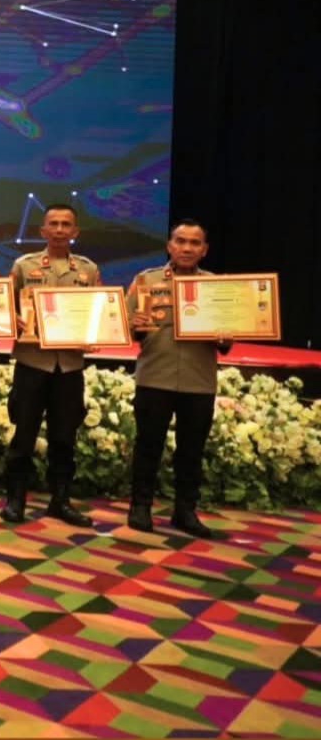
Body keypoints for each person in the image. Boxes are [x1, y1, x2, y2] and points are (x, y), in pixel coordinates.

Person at [125, 219, 231, 539]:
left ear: (204, 250)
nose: (187, 248)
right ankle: (140, 507)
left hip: (199, 380)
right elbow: (127, 327)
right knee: (148, 446)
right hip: (155, 376)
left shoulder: (216, 287)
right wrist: (135, 325)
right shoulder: (145, 280)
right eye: (181, 241)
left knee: (191, 450)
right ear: (169, 246)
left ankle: (185, 511)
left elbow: (226, 342)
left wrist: (226, 335)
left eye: (194, 243)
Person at [1, 204, 98, 526]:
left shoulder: (88, 270)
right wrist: (13, 320)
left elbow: (99, 312)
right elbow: (5, 307)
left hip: (69, 367)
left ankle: (61, 501)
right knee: (23, 436)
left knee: (64, 438)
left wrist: (98, 331)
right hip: (32, 363)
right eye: (53, 224)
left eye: (65, 224)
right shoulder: (23, 266)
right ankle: (15, 500)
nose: (59, 229)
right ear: (42, 231)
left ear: (75, 232)